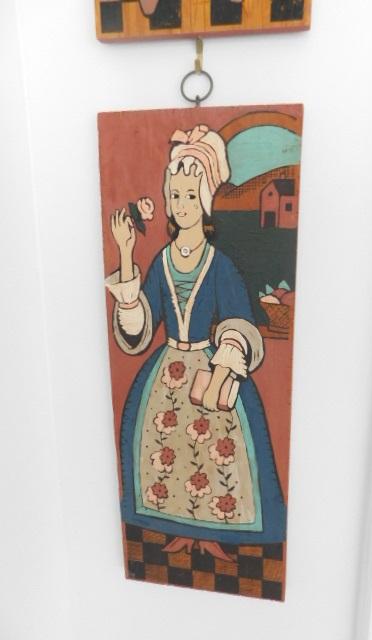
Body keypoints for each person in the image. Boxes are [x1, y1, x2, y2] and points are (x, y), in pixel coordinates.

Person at [105, 124, 286, 562]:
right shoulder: (161, 262)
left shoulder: (219, 263)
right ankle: (176, 534)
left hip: (211, 369)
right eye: (176, 195)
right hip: (166, 372)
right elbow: (138, 331)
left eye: (190, 195)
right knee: (163, 451)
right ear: (168, 201)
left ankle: (217, 536)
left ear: (204, 201)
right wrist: (126, 253)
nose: (182, 204)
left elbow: (239, 318)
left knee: (219, 454)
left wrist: (226, 358)